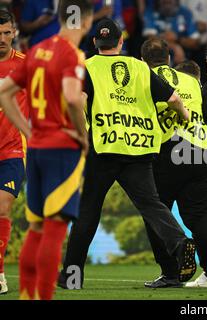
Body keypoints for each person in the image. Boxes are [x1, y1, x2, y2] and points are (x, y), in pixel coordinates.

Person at [57, 18, 197, 290]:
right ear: (121, 42)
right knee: (152, 206)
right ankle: (179, 244)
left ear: (95, 42)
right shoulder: (140, 67)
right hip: (139, 148)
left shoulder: (87, 67)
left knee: (88, 213)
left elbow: (78, 101)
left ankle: (72, 277)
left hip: (105, 148)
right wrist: (184, 115)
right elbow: (174, 99)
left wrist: (80, 132)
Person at [0, 0, 93, 300]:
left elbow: (5, 93)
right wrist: (82, 134)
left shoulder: (38, 51)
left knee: (36, 228)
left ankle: (27, 294)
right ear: (87, 22)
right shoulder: (71, 55)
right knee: (53, 229)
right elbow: (73, 98)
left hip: (32, 149)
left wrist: (28, 132)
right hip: (61, 149)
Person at [140, 36, 207, 289]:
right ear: (170, 58)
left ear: (143, 61)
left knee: (155, 213)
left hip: (167, 151)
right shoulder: (190, 80)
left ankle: (171, 273)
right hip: (201, 152)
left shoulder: (144, 78)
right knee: (197, 217)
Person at [0, 10, 27, 295]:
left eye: (7, 33)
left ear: (14, 32)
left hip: (11, 150)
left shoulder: (26, 66)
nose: (2, 39)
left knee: (2, 208)